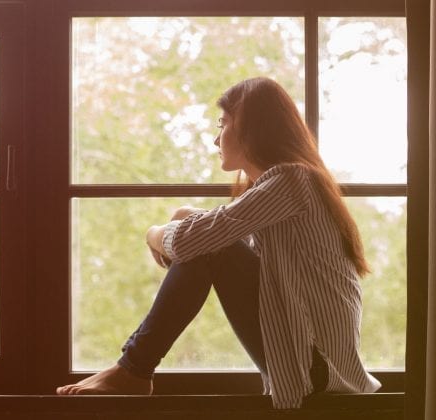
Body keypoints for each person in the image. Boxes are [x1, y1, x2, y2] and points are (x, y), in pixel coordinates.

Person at [56, 77, 381, 409]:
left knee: (210, 246)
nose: (215, 139)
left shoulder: (292, 180)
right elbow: (220, 234)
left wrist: (153, 233)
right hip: (315, 370)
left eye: (223, 124)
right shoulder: (291, 188)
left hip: (318, 373)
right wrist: (185, 214)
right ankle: (132, 370)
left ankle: (134, 369)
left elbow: (194, 242)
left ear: (252, 128)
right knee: (209, 241)